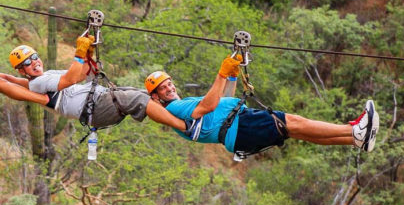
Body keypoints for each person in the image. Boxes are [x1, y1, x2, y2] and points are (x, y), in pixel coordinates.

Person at [145, 55, 380, 156]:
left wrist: (232, 76)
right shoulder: (174, 109)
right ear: (156, 97)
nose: (169, 88)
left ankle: (355, 139)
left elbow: (222, 102)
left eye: (169, 83)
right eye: (162, 88)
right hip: (240, 127)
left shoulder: (180, 105)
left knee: (297, 130)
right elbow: (207, 106)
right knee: (295, 123)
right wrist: (221, 73)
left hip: (238, 126)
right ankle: (354, 130)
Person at [4, 37, 188, 131]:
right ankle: (183, 125)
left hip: (99, 100)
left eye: (34, 57)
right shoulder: (38, 83)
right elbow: (70, 79)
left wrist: (87, 55)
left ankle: (180, 108)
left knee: (146, 93)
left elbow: (80, 75)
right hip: (95, 108)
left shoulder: (49, 74)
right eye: (27, 63)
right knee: (138, 99)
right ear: (21, 71)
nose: (34, 62)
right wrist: (79, 54)